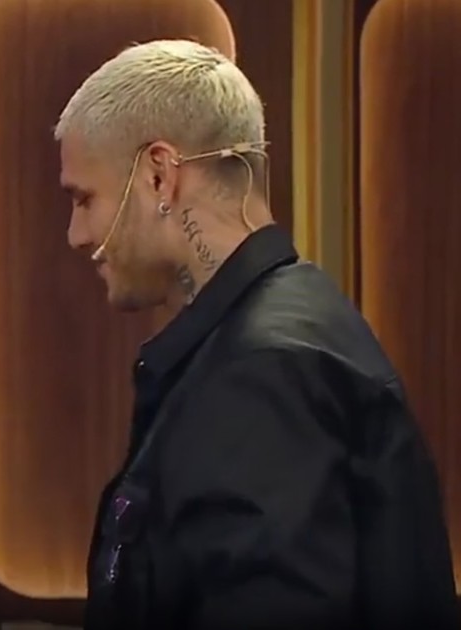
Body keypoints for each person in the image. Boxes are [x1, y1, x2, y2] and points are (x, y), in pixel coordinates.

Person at [53, 40, 458, 630]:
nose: (76, 234)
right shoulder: (283, 332)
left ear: (159, 175)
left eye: (83, 199)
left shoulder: (263, 373)